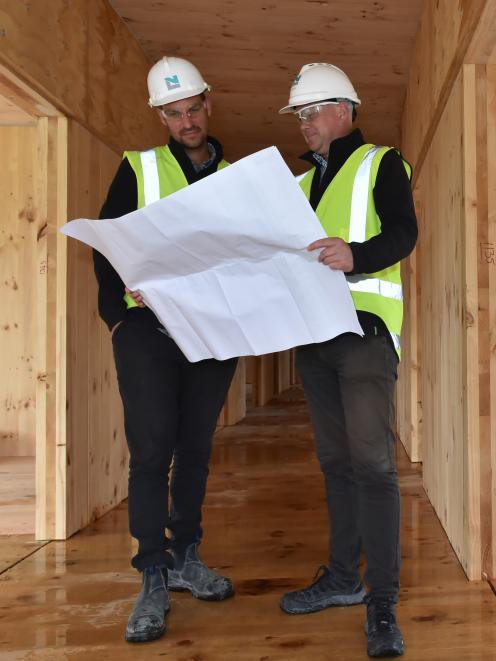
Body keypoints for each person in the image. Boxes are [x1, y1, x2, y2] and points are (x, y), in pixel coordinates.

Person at [93, 56, 238, 644]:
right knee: (152, 450)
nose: (187, 121)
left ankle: (187, 558)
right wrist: (116, 316)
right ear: (162, 117)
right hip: (149, 332)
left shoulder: (237, 176)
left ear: (209, 103)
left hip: (212, 331)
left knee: (196, 448)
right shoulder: (139, 168)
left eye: (194, 108)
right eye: (175, 114)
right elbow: (106, 243)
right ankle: (152, 573)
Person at [278, 63, 418, 658]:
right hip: (314, 338)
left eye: (311, 113)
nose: (304, 124)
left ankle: (381, 601)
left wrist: (354, 255)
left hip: (363, 331)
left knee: (373, 465)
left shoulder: (382, 163)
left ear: (344, 109)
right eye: (300, 116)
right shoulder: (302, 184)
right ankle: (342, 578)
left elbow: (403, 236)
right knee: (336, 462)